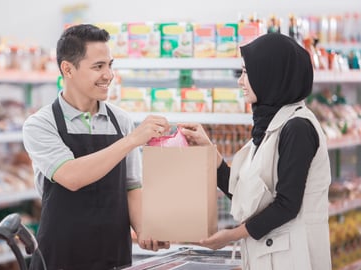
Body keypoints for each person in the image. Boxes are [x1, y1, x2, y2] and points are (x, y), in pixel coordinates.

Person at [22, 24, 170, 270]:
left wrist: (145, 229)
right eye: (98, 67)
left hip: (113, 256)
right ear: (67, 69)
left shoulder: (120, 120)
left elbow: (131, 186)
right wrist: (131, 140)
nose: (109, 75)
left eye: (110, 65)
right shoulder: (41, 124)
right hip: (60, 257)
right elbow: (71, 176)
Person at [180, 33, 332, 270]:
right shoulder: (270, 124)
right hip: (271, 256)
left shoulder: (297, 128)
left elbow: (287, 205)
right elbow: (248, 197)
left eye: (246, 72)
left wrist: (230, 236)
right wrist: (208, 150)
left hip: (294, 258)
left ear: (270, 74)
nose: (240, 81)